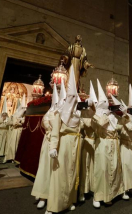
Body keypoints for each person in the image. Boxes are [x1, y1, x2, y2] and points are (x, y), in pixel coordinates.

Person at [44, 65, 81, 214]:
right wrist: (53, 146)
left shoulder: (78, 114)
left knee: (71, 173)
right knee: (59, 174)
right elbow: (55, 132)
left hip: (75, 144)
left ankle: (69, 200)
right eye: (70, 97)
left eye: (74, 97)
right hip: (63, 143)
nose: (72, 100)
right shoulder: (60, 113)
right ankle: (54, 205)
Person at [91, 79, 125, 208]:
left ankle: (111, 194)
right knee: (102, 169)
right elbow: (100, 124)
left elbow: (121, 127)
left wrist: (124, 114)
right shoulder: (97, 115)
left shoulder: (113, 115)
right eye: (104, 102)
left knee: (114, 168)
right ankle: (98, 195)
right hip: (103, 143)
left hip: (114, 143)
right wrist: (106, 113)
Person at [31, 84, 62, 209]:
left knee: (57, 170)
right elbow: (45, 124)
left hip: (60, 142)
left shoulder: (64, 111)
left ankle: (56, 196)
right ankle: (43, 194)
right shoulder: (50, 111)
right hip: (48, 141)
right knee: (45, 168)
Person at [79, 81, 97, 202]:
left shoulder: (97, 113)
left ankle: (95, 188)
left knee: (95, 167)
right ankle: (83, 190)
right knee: (85, 166)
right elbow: (86, 123)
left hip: (97, 143)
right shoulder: (83, 113)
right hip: (87, 141)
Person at [3, 95, 26, 163]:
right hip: (15, 131)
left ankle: (18, 157)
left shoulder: (24, 116)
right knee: (13, 145)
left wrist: (21, 121)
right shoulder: (15, 116)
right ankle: (12, 157)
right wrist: (20, 122)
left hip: (21, 131)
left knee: (19, 145)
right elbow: (14, 123)